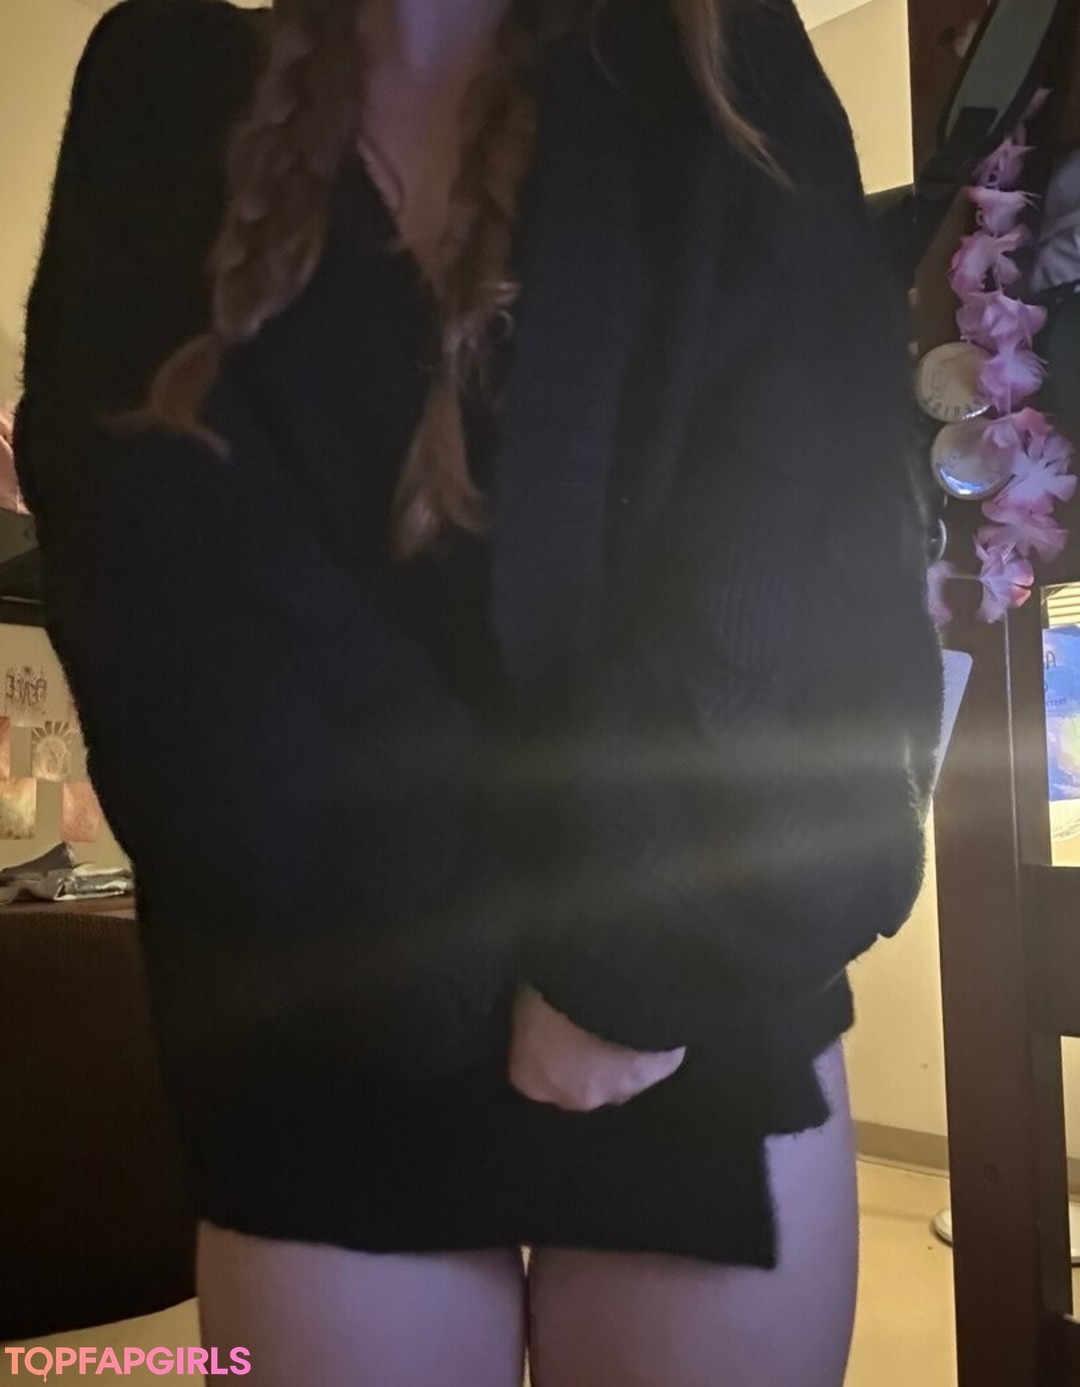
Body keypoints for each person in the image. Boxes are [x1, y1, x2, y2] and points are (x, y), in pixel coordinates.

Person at [15, 0, 943, 1382]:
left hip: (698, 976)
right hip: (327, 993)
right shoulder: (161, 88)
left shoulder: (721, 63)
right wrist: (444, 946)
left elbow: (812, 534)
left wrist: (631, 962)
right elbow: (159, 587)